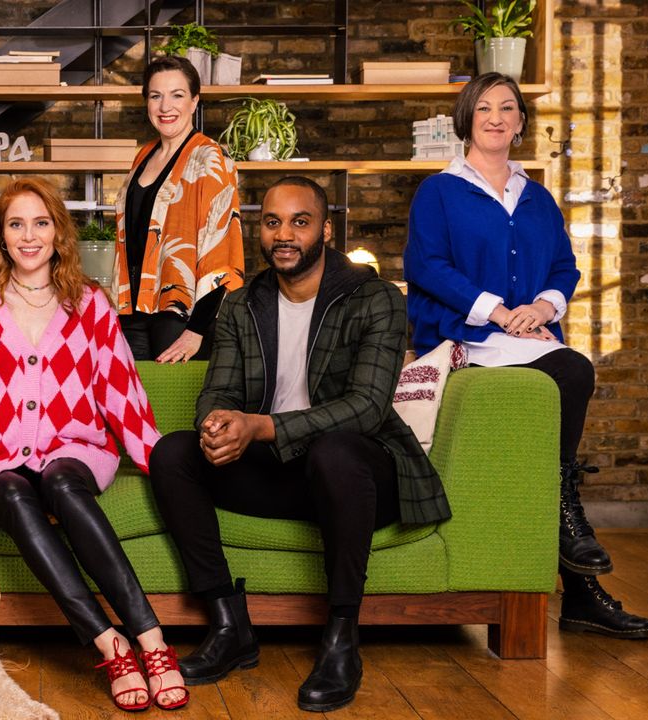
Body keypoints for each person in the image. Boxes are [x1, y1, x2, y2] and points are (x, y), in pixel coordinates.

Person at [0, 178, 188, 712]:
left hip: (75, 448)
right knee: (19, 493)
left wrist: (161, 459)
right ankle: (109, 645)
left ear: (57, 232)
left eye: (40, 223)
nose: (28, 236)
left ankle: (152, 640)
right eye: (15, 224)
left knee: (63, 483)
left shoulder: (90, 302)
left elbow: (120, 392)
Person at [150, 177, 451, 713]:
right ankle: (228, 626)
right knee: (173, 454)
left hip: (358, 474)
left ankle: (341, 640)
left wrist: (261, 427)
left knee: (333, 450)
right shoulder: (242, 304)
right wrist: (218, 423)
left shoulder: (374, 297)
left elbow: (368, 406)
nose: (283, 234)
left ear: (326, 230)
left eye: (299, 221)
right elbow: (219, 388)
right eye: (272, 222)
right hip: (281, 473)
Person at [404, 72, 648, 640]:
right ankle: (573, 540)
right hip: (463, 336)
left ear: (520, 122)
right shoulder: (439, 191)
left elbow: (565, 268)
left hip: (525, 337)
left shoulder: (537, 196)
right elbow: (428, 267)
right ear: (467, 118)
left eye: (508, 108)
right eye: (484, 107)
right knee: (572, 368)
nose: (496, 117)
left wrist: (541, 309)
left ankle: (575, 566)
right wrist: (498, 312)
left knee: (567, 370)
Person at [113, 54, 244, 364]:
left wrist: (197, 329)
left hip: (180, 316)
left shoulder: (210, 159)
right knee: (135, 407)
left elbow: (221, 253)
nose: (165, 106)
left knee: (173, 408)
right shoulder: (143, 155)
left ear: (194, 101)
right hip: (133, 310)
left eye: (177, 95)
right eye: (156, 96)